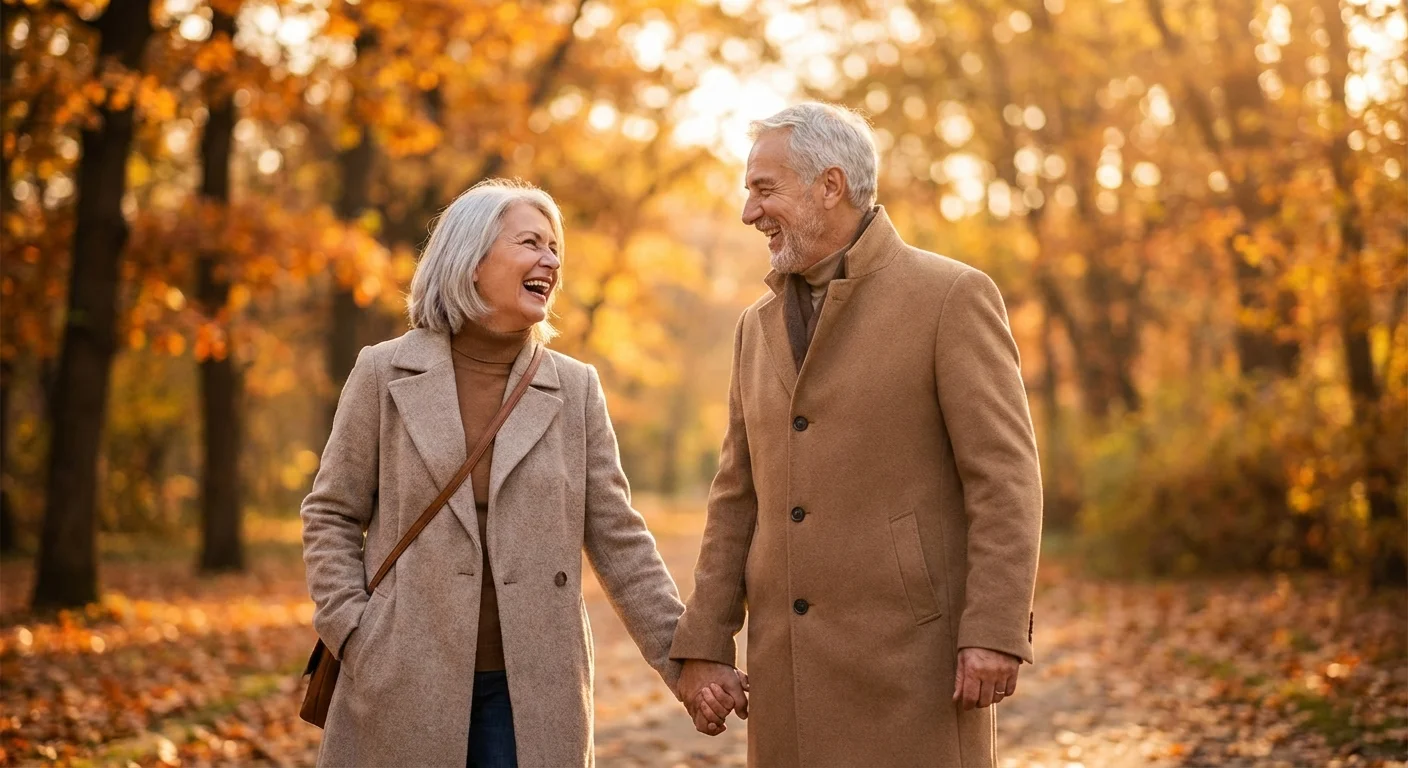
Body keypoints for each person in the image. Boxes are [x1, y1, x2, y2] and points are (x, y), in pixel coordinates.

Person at [670, 103, 1044, 766]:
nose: (749, 212)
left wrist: (994, 630)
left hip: (912, 670)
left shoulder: (950, 298)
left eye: (763, 189)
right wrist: (704, 643)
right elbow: (737, 496)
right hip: (784, 677)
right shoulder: (754, 328)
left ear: (830, 186)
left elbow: (1005, 479)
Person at [301, 179, 686, 767]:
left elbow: (619, 538)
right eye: (530, 243)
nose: (550, 261)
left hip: (531, 689)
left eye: (555, 248)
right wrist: (354, 631)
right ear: (471, 260)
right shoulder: (384, 373)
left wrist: (683, 659)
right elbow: (331, 512)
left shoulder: (574, 387)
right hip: (404, 675)